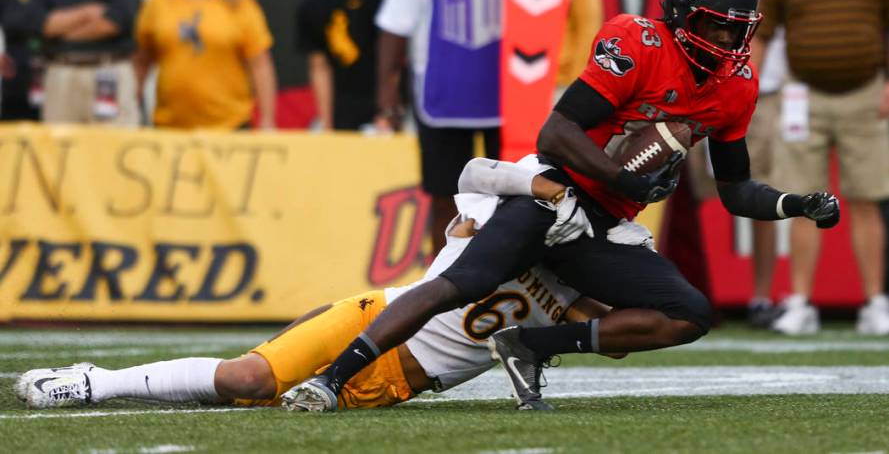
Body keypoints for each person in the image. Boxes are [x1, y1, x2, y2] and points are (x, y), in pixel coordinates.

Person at [289, 0, 841, 412]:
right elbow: (556, 133)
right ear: (681, 15)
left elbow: (736, 189)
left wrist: (795, 203)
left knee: (689, 315)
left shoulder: (735, 85)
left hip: (603, 228)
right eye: (716, 23)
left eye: (736, 28)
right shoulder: (638, 42)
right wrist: (623, 178)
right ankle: (332, 378)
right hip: (555, 198)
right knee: (461, 283)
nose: (727, 38)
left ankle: (528, 345)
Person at [17, 164, 613, 411]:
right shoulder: (519, 208)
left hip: (400, 377)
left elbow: (615, 331)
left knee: (255, 395)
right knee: (248, 377)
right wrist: (534, 198)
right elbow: (469, 193)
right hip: (378, 315)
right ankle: (95, 383)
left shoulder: (589, 274)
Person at [754, 0, 889, 335]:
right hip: (802, 97)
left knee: (867, 200)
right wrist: (745, 83)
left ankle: (875, 302)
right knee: (805, 200)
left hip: (866, 94)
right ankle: (799, 303)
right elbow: (763, 35)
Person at [374, 0, 506, 255]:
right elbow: (395, 26)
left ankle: (507, 285)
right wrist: (387, 95)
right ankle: (443, 285)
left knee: (514, 202)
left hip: (507, 98)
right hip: (442, 96)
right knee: (445, 198)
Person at [134, 0, 277, 130]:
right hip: (170, 127)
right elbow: (141, 62)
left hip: (229, 126)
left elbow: (261, 65)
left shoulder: (239, 4)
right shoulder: (159, 3)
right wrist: (128, 108)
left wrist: (267, 120)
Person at [726, 0, 783, 327]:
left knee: (761, 194)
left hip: (769, 99)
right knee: (696, 196)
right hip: (715, 97)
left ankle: (762, 296)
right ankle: (699, 286)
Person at [296, 0, 383, 131]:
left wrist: (386, 112)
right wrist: (326, 121)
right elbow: (319, 66)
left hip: (376, 106)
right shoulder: (309, 7)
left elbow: (389, 59)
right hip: (340, 107)